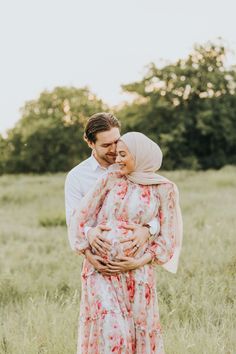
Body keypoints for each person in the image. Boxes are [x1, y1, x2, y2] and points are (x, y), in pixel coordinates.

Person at [69, 132, 183, 353]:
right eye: (117, 154)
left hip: (137, 276)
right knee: (113, 334)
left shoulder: (163, 188)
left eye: (123, 154)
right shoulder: (109, 179)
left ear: (140, 156)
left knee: (136, 335)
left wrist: (137, 261)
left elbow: (168, 237)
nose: (117, 159)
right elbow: (80, 216)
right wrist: (88, 239)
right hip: (101, 273)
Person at [65, 113, 158, 275]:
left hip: (137, 265)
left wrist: (148, 230)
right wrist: (89, 250)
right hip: (99, 266)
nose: (114, 149)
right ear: (90, 142)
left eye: (117, 141)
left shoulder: (135, 167)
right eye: (106, 145)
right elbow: (73, 220)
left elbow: (160, 213)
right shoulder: (77, 177)